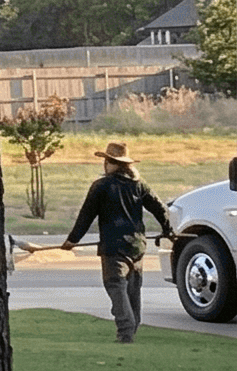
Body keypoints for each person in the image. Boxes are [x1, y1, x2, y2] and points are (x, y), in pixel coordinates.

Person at [60, 140, 175, 344]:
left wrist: (72, 240)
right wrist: (168, 231)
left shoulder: (101, 186)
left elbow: (86, 216)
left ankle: (125, 330)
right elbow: (159, 208)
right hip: (137, 246)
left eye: (107, 161)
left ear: (113, 163)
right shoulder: (139, 185)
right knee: (132, 289)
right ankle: (132, 325)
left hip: (113, 247)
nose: (104, 165)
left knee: (115, 285)